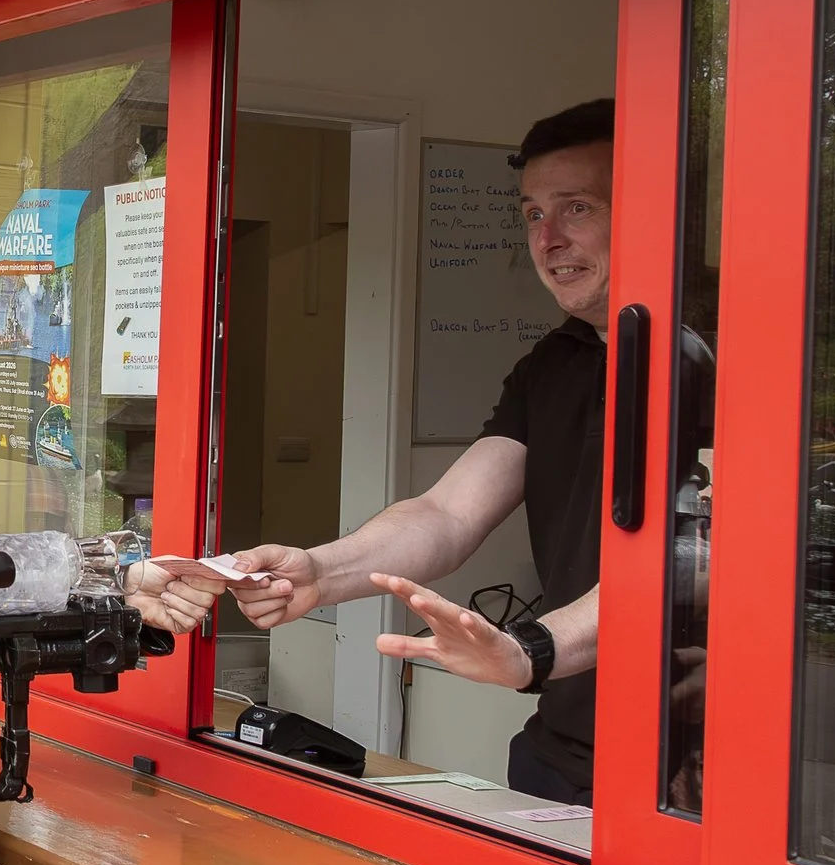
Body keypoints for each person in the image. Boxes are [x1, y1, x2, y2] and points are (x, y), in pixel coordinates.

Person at [129, 99, 660, 806]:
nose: (549, 239)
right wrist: (318, 571)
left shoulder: (707, 358)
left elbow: (684, 574)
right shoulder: (554, 364)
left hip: (683, 780)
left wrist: (526, 650)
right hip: (561, 757)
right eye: (533, 213)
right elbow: (446, 513)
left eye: (578, 208)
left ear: (651, 208)